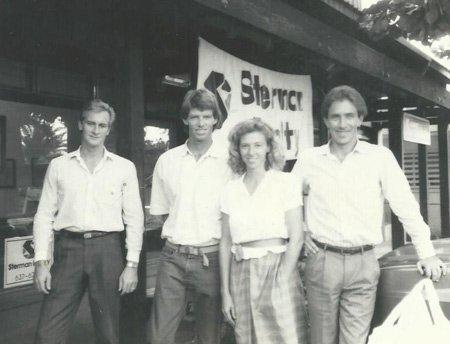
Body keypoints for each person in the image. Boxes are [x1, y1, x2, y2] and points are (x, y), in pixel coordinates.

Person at [291, 85, 447, 344]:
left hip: (363, 262)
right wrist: (301, 231)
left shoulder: (379, 157)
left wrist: (427, 253)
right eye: (336, 117)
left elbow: (405, 205)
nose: (343, 124)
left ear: (360, 118)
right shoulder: (309, 159)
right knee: (321, 339)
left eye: (349, 116)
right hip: (321, 260)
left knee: (355, 340)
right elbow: (285, 201)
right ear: (326, 120)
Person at [33, 99, 144, 344]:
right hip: (68, 249)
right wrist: (41, 261)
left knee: (108, 333)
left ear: (108, 129)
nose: (96, 130)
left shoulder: (124, 168)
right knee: (47, 333)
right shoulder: (59, 166)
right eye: (91, 123)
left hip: (107, 250)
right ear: (81, 124)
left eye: (102, 125)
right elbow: (43, 215)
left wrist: (132, 264)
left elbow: (135, 218)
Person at [149, 89, 231, 344]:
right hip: (173, 257)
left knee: (209, 336)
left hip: (213, 258)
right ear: (185, 119)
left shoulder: (230, 161)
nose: (201, 123)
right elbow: (162, 212)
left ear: (216, 120)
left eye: (207, 116)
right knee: (159, 335)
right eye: (195, 117)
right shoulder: (167, 160)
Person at [220, 118, 308, 344]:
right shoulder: (230, 189)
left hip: (277, 267)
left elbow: (297, 237)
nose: (251, 152)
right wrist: (226, 293)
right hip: (240, 272)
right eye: (245, 146)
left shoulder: (285, 182)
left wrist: (282, 279)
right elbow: (225, 242)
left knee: (284, 337)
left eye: (258, 145)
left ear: (269, 147)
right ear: (237, 150)